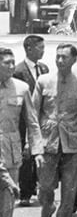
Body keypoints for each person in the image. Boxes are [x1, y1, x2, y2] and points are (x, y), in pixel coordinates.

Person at [35, 43, 77, 217]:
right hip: (48, 142)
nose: (60, 60)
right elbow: (34, 114)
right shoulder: (43, 81)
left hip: (72, 144)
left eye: (65, 57)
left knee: (70, 190)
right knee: (45, 185)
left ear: (74, 60)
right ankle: (47, 209)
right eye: (58, 56)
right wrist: (35, 144)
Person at [0, 46, 43, 217]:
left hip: (11, 155)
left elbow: (32, 122)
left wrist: (37, 151)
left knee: (6, 210)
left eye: (11, 61)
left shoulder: (22, 88)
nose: (10, 66)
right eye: (5, 62)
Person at [13, 33, 48, 205]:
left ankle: (35, 186)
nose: (42, 51)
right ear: (29, 48)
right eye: (40, 47)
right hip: (22, 119)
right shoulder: (18, 71)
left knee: (38, 152)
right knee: (25, 155)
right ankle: (25, 192)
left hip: (39, 118)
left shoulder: (43, 68)